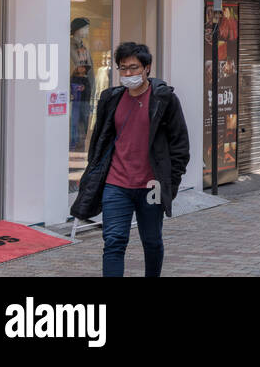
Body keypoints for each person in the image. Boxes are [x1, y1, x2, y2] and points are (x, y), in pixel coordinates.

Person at [70, 42, 190, 277]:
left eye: (133, 68)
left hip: (151, 185)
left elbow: (180, 146)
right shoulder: (111, 98)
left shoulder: (164, 100)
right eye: (122, 69)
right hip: (116, 184)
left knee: (152, 241)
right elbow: (100, 140)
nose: (128, 74)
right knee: (113, 242)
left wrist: (170, 182)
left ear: (147, 68)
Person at [69, 18, 94, 151]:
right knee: (74, 119)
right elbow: (76, 66)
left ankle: (79, 149)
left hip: (85, 89)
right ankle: (73, 149)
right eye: (85, 28)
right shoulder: (69, 46)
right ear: (78, 29)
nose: (87, 31)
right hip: (74, 89)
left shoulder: (84, 47)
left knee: (83, 119)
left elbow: (89, 70)